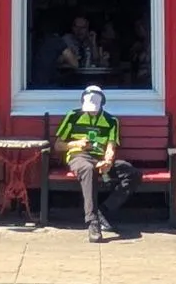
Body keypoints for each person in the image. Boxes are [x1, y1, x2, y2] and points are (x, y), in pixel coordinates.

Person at [54, 85, 141, 242]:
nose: (92, 111)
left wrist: (107, 161)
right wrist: (76, 144)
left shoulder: (111, 121)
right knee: (88, 169)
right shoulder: (72, 116)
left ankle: (104, 210)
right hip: (79, 156)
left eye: (95, 108)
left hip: (100, 157)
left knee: (132, 173)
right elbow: (58, 145)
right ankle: (92, 222)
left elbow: (111, 146)